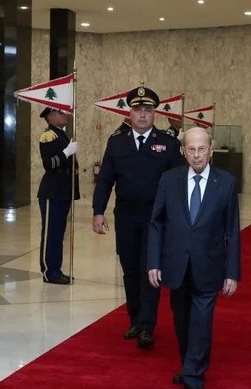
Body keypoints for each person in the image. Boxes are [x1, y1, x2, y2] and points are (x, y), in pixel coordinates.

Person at [147, 127, 241, 389]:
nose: (197, 155)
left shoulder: (225, 182)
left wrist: (232, 271)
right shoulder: (168, 180)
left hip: (209, 266)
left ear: (211, 150)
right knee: (181, 320)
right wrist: (153, 261)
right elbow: (157, 223)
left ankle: (194, 377)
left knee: (201, 323)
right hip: (176, 266)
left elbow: (232, 231)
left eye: (202, 149)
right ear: (183, 151)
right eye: (191, 149)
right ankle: (189, 365)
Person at [92, 85, 185, 349]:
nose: (143, 115)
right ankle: (134, 320)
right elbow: (105, 180)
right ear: (129, 113)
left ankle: (147, 326)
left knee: (150, 271)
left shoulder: (167, 143)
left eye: (148, 110)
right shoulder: (116, 142)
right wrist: (98, 211)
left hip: (156, 219)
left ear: (154, 113)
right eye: (138, 110)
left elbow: (179, 182)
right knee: (130, 270)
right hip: (126, 216)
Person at [37, 107, 80, 285]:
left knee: (59, 233)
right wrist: (66, 152)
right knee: (51, 233)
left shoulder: (62, 135)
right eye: (62, 113)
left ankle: (56, 269)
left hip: (62, 191)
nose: (66, 115)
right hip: (52, 191)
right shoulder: (49, 136)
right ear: (51, 117)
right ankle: (49, 271)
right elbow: (50, 164)